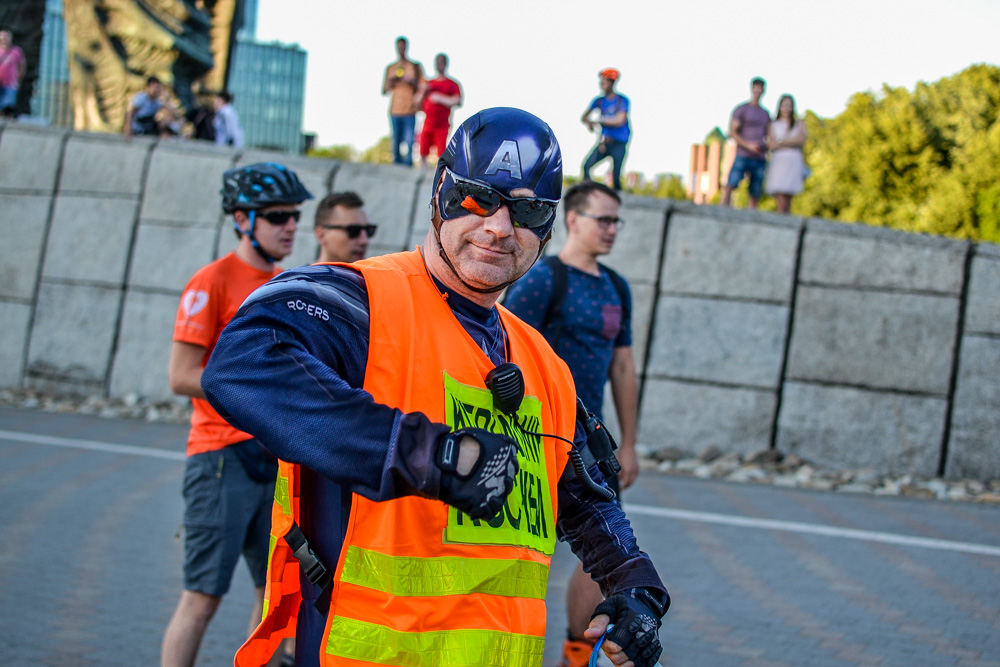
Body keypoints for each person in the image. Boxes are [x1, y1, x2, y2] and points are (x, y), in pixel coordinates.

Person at [202, 107, 669, 667]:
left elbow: (588, 499)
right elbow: (241, 365)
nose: (498, 227)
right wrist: (428, 454)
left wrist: (634, 585)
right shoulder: (353, 300)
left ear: (547, 227)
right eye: (477, 199)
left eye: (525, 210)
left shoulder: (545, 364)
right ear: (440, 193)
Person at [161, 162, 313, 667]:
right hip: (221, 458)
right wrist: (254, 388)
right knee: (202, 599)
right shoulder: (213, 280)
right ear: (242, 220)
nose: (291, 225)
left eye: (294, 215)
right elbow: (182, 374)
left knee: (274, 597)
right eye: (277, 216)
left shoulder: (287, 282)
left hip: (274, 457)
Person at [504, 180, 640, 667]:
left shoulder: (616, 286)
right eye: (603, 219)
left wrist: (629, 444)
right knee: (517, 547)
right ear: (574, 220)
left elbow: (622, 367)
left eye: (616, 221)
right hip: (537, 436)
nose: (611, 230)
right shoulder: (544, 279)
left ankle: (575, 656)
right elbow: (503, 346)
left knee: (600, 559)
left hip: (593, 443)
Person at [722, 77, 771, 209]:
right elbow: (732, 132)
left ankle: (751, 216)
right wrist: (748, 145)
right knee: (730, 184)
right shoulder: (741, 110)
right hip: (743, 154)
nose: (758, 92)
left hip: (759, 156)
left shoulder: (765, 114)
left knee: (755, 191)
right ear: (752, 89)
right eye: (756, 89)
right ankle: (721, 210)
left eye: (760, 89)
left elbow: (769, 135)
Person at [581, 68, 631, 191]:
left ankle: (617, 199)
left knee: (616, 176)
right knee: (587, 166)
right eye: (601, 82)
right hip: (605, 142)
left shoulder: (622, 100)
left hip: (619, 142)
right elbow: (584, 117)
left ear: (612, 83)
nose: (602, 85)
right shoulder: (598, 101)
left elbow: (620, 120)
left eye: (605, 82)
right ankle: (588, 193)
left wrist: (599, 120)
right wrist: (590, 124)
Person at [381, 36, 424, 166]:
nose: (401, 49)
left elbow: (423, 86)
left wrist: (411, 81)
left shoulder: (415, 66)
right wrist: (392, 81)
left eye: (403, 46)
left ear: (406, 47)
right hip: (395, 110)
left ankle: (408, 168)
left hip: (410, 109)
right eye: (399, 46)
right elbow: (384, 90)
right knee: (396, 142)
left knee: (410, 142)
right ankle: (396, 169)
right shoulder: (391, 68)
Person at [417, 52, 462, 167]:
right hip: (427, 123)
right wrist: (424, 93)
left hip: (442, 125)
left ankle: (440, 175)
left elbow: (457, 101)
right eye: (437, 63)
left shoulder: (452, 84)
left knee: (441, 153)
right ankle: (423, 173)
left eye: (441, 62)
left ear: (446, 64)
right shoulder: (428, 84)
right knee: (423, 150)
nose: (439, 65)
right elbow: (417, 104)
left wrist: (439, 98)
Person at [765, 94, 808, 214]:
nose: (786, 108)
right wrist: (790, 142)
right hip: (779, 161)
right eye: (784, 105)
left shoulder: (799, 124)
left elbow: (801, 140)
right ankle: (780, 216)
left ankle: (786, 217)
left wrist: (782, 141)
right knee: (779, 193)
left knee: (789, 194)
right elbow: (771, 144)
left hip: (793, 161)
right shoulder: (773, 124)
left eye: (789, 105)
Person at [313, 191, 377, 263]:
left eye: (369, 230)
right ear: (321, 235)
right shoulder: (301, 274)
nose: (364, 241)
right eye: (353, 231)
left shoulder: (372, 274)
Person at [0, 30, 26, 118]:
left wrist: (18, 79)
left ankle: (6, 121)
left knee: (8, 105)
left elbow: (22, 66)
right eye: (2, 36)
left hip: (11, 84)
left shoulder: (16, 51)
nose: (4, 39)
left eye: (6, 36)